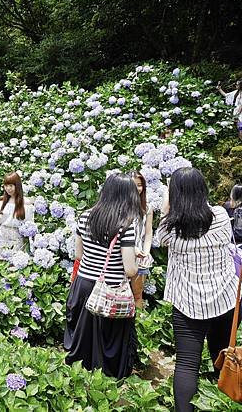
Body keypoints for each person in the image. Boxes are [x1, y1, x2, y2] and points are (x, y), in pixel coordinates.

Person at [157, 167, 239, 412]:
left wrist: (166, 203)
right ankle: (223, 399)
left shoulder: (170, 229)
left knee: (186, 364)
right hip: (224, 298)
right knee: (222, 352)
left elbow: (160, 236)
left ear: (175, 195)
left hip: (188, 304)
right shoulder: (222, 216)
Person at [64, 173, 140, 379]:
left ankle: (81, 372)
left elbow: (78, 254)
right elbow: (130, 269)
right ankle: (106, 377)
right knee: (109, 338)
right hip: (111, 288)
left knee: (85, 334)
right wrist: (139, 261)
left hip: (84, 284)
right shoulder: (126, 223)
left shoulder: (85, 216)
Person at [0, 172, 34, 258]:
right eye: (6, 186)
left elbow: (30, 224)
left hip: (17, 237)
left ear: (17, 186)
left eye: (11, 186)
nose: (8, 189)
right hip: (2, 235)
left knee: (15, 263)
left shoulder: (25, 203)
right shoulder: (2, 201)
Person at [129, 171, 154, 309]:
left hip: (141, 258)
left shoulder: (147, 207)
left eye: (139, 185)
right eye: (133, 185)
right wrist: (133, 249)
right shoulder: (121, 206)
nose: (137, 188)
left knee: (137, 295)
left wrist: (146, 252)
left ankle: (139, 325)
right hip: (123, 255)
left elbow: (148, 233)